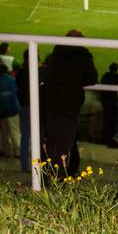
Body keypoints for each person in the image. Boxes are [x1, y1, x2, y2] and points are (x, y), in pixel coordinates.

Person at [42, 29, 97, 177]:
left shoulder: (56, 54)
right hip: (69, 106)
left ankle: (46, 176)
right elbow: (92, 78)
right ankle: (58, 179)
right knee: (63, 145)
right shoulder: (83, 56)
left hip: (51, 105)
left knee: (51, 142)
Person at [0, 63, 20, 158]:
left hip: (1, 111)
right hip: (13, 109)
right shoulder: (11, 80)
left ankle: (7, 152)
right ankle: (17, 151)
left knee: (4, 134)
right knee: (15, 132)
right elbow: (16, 91)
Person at [100, 62, 118, 146]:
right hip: (113, 101)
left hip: (105, 100)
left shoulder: (105, 76)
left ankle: (104, 138)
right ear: (117, 69)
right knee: (112, 120)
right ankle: (111, 139)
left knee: (106, 119)